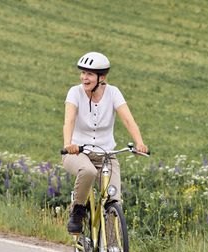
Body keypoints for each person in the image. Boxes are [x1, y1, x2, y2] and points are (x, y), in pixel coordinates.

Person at [62, 51, 148, 234]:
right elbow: (69, 120)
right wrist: (68, 144)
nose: (84, 78)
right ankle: (77, 211)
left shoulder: (113, 92)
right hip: (77, 153)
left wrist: (139, 143)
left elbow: (128, 120)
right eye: (83, 73)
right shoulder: (75, 92)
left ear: (102, 77)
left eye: (89, 74)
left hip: (107, 156)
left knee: (114, 201)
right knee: (88, 171)